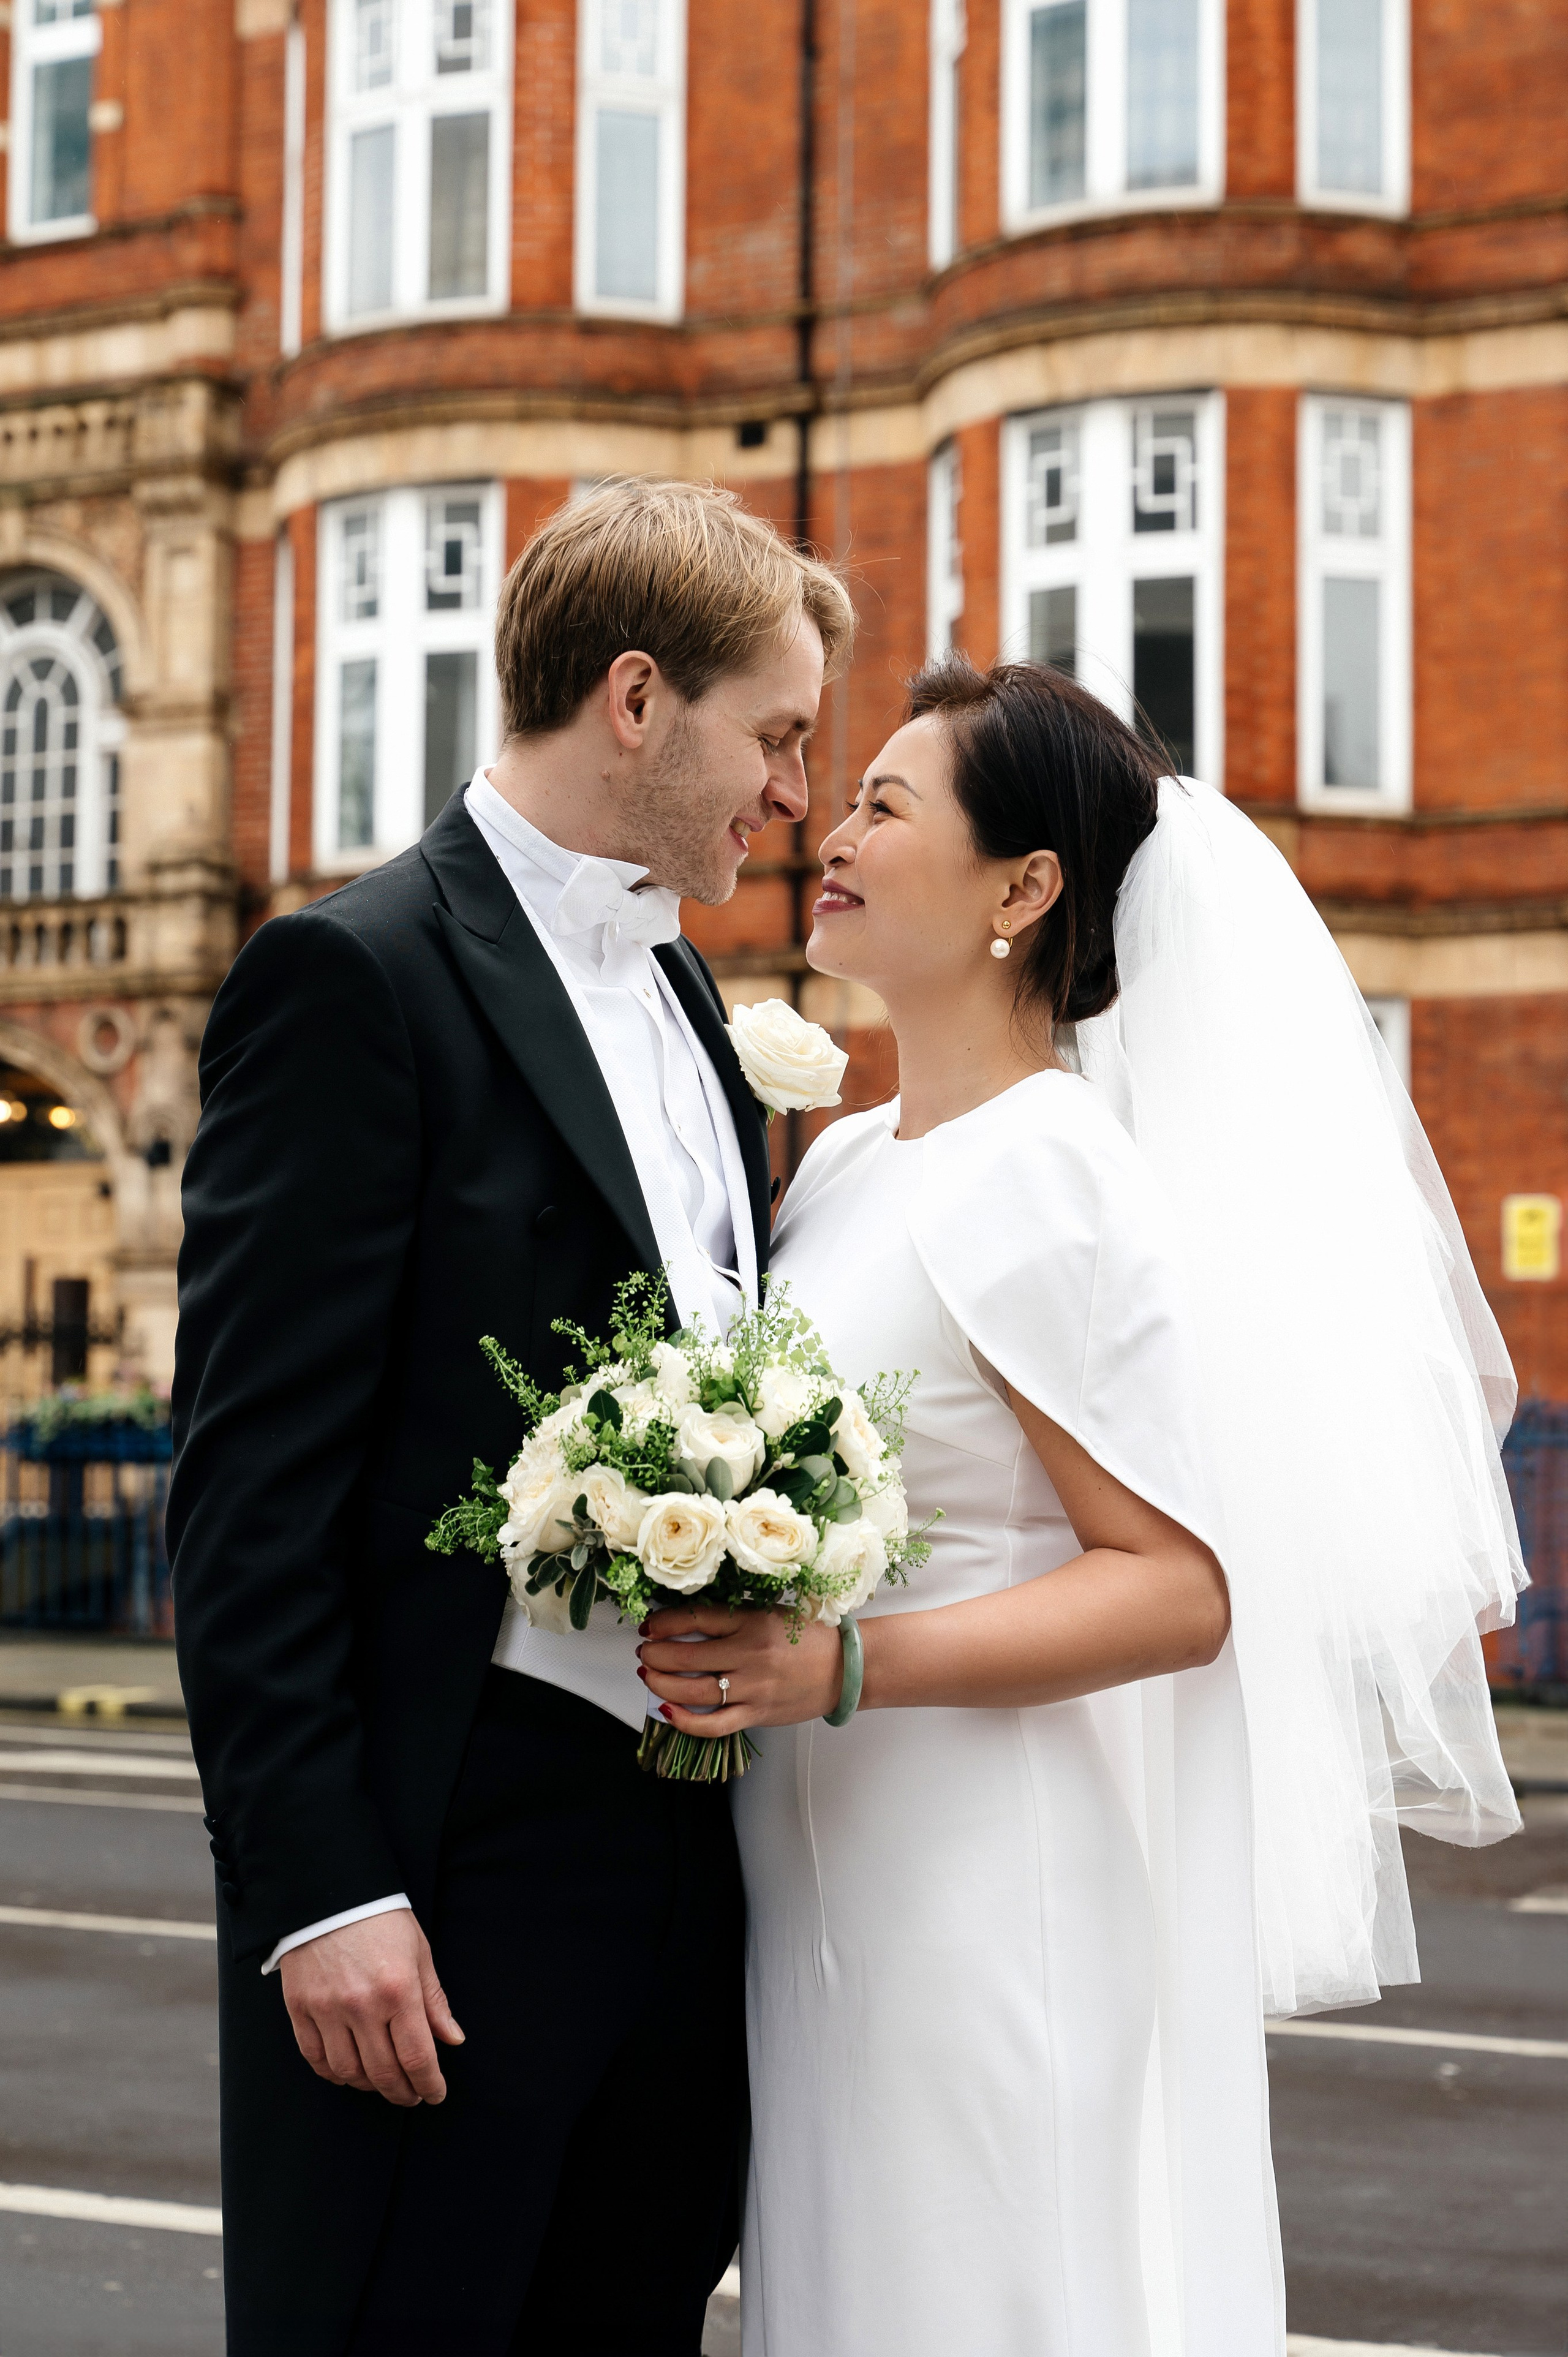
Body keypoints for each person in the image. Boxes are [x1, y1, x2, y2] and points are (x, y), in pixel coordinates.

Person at [639, 656, 1525, 2355]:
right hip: (824, 1869)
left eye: (887, 808)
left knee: (981, 2288)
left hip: (986, 1871)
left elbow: (1175, 1589)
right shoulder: (847, 1161)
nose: (832, 831)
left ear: (1025, 890)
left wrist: (841, 1669)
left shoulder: (1047, 1170)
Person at [168, 477, 854, 2355]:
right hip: (446, 1881)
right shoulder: (355, 977)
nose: (796, 792)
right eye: (777, 736)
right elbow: (247, 1495)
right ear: (638, 700)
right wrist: (323, 1896)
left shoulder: (700, 1011)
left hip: (683, 1874)